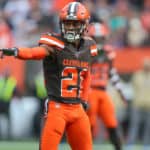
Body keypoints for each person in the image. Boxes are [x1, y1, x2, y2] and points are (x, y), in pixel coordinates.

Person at [0, 2, 98, 150]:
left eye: (75, 24)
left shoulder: (89, 47)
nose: (70, 28)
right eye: (67, 23)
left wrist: (83, 100)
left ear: (85, 25)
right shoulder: (54, 43)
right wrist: (15, 51)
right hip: (57, 108)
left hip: (77, 109)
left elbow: (86, 75)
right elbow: (35, 53)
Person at [87, 22, 126, 150]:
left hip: (103, 91)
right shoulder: (85, 51)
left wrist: (121, 91)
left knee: (112, 123)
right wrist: (96, 54)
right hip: (89, 91)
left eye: (100, 38)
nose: (98, 40)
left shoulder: (108, 51)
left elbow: (112, 72)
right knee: (90, 125)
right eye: (96, 38)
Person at [126, 58, 150, 150]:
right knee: (134, 125)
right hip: (137, 104)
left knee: (148, 126)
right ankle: (130, 144)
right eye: (146, 65)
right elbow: (132, 89)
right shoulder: (137, 75)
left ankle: (147, 145)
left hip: (149, 105)